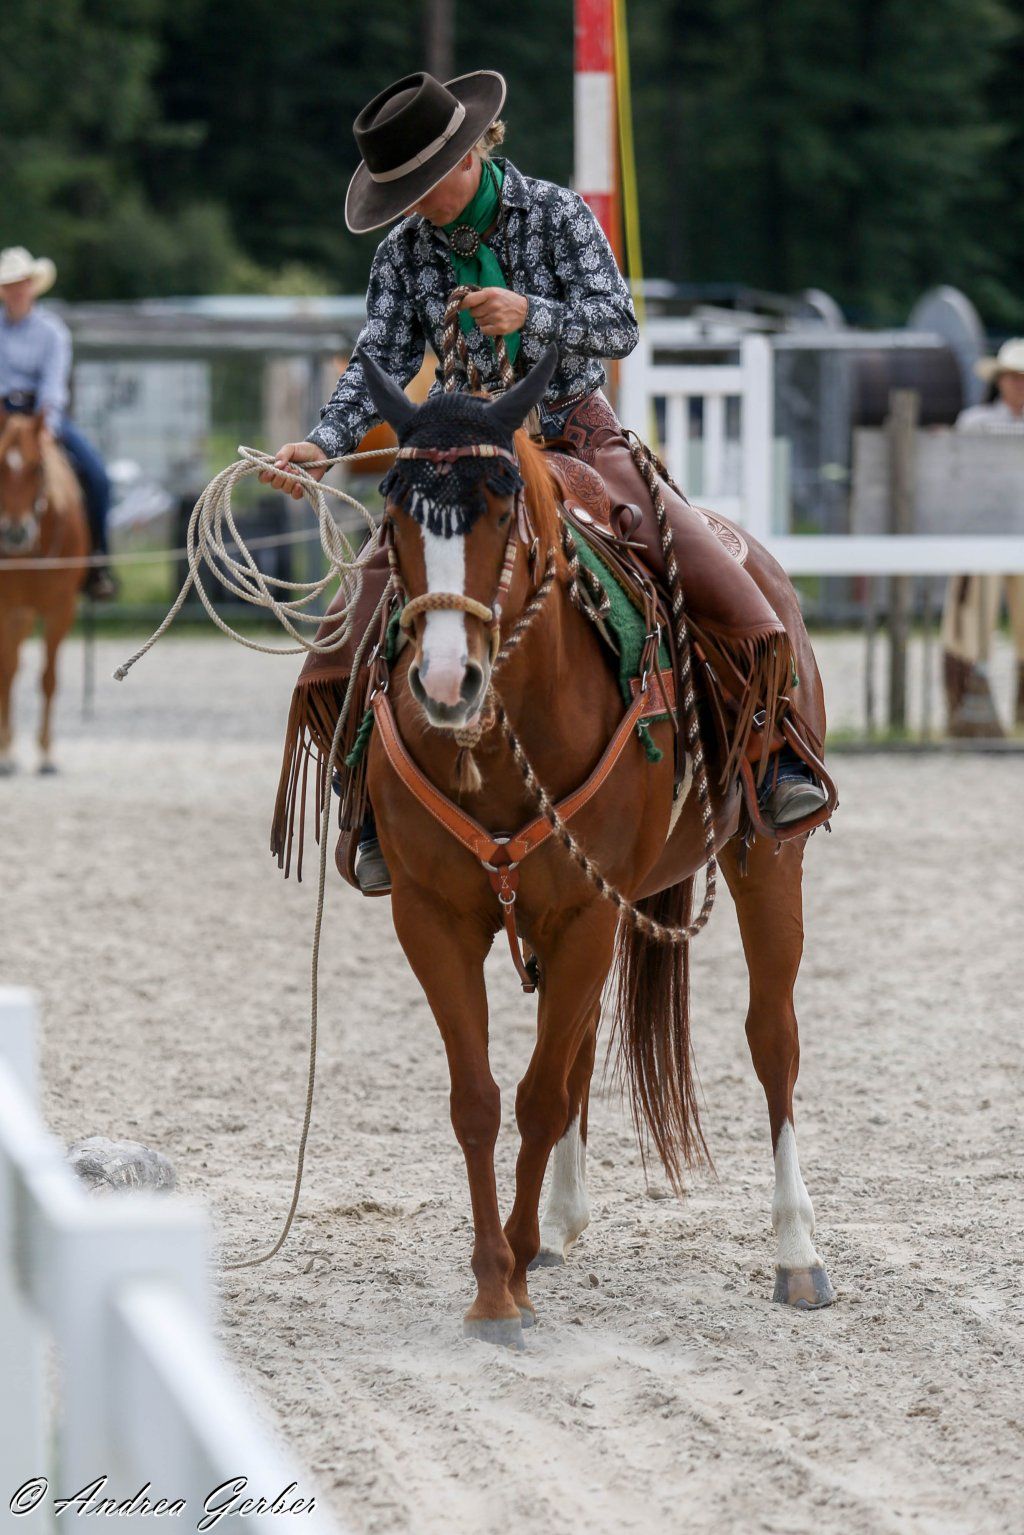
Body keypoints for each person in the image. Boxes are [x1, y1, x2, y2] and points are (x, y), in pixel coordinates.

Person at [261, 71, 829, 893]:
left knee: (708, 568)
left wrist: (534, 312)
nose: (415, 206)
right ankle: (369, 799)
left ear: (467, 157)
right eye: (403, 194)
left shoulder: (558, 213)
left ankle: (771, 756)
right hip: (456, 454)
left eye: (420, 187)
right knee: (362, 608)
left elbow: (620, 324)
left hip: (574, 433)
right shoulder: (404, 253)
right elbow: (378, 362)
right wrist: (320, 443)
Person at [0, 246, 115, 599]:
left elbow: (53, 385)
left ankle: (97, 563)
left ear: (33, 286)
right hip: (1, 417)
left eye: (21, 283)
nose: (16, 290)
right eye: (9, 284)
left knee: (97, 478)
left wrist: (45, 426)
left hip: (42, 417)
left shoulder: (53, 332)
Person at [942, 337, 1024, 736]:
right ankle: (970, 707)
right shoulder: (974, 423)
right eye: (1013, 377)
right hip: (984, 534)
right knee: (970, 622)